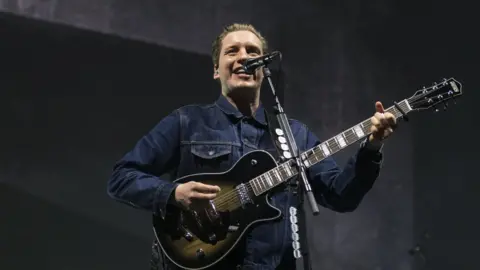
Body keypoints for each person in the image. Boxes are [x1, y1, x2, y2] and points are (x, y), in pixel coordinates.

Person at [107, 23, 397, 270]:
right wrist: (173, 193)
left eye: (252, 52)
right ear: (216, 70)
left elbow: (341, 196)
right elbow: (121, 178)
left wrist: (371, 146)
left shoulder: (294, 134)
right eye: (232, 51)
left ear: (263, 68)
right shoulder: (186, 121)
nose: (243, 57)